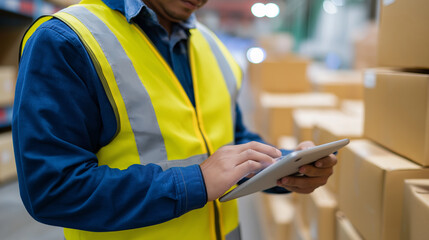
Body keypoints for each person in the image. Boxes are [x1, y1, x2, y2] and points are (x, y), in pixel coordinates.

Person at [12, 0, 337, 239]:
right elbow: (53, 189)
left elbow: (231, 139)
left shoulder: (213, 48)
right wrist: (197, 182)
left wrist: (286, 167)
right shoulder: (66, 40)